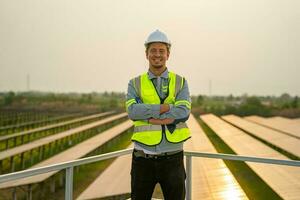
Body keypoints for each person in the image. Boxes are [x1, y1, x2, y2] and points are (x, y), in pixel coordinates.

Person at [126, 29, 191, 200]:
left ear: (168, 54)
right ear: (146, 54)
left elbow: (184, 112)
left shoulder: (181, 82)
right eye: (153, 50)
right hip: (142, 158)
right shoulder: (134, 83)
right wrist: (164, 108)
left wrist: (148, 116)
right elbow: (132, 111)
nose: (157, 55)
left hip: (173, 158)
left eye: (161, 51)